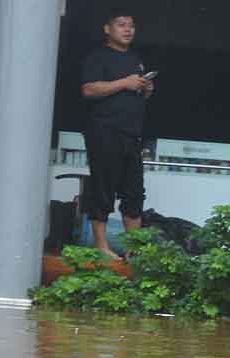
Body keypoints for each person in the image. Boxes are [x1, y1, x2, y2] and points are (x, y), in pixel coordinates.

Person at [80, 11, 154, 259]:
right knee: (103, 187)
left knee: (134, 191)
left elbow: (134, 94)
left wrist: (145, 88)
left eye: (131, 26)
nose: (128, 30)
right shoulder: (97, 57)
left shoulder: (135, 59)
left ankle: (134, 248)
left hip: (131, 134)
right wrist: (124, 83)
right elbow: (89, 89)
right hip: (104, 131)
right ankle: (102, 247)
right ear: (107, 29)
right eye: (121, 25)